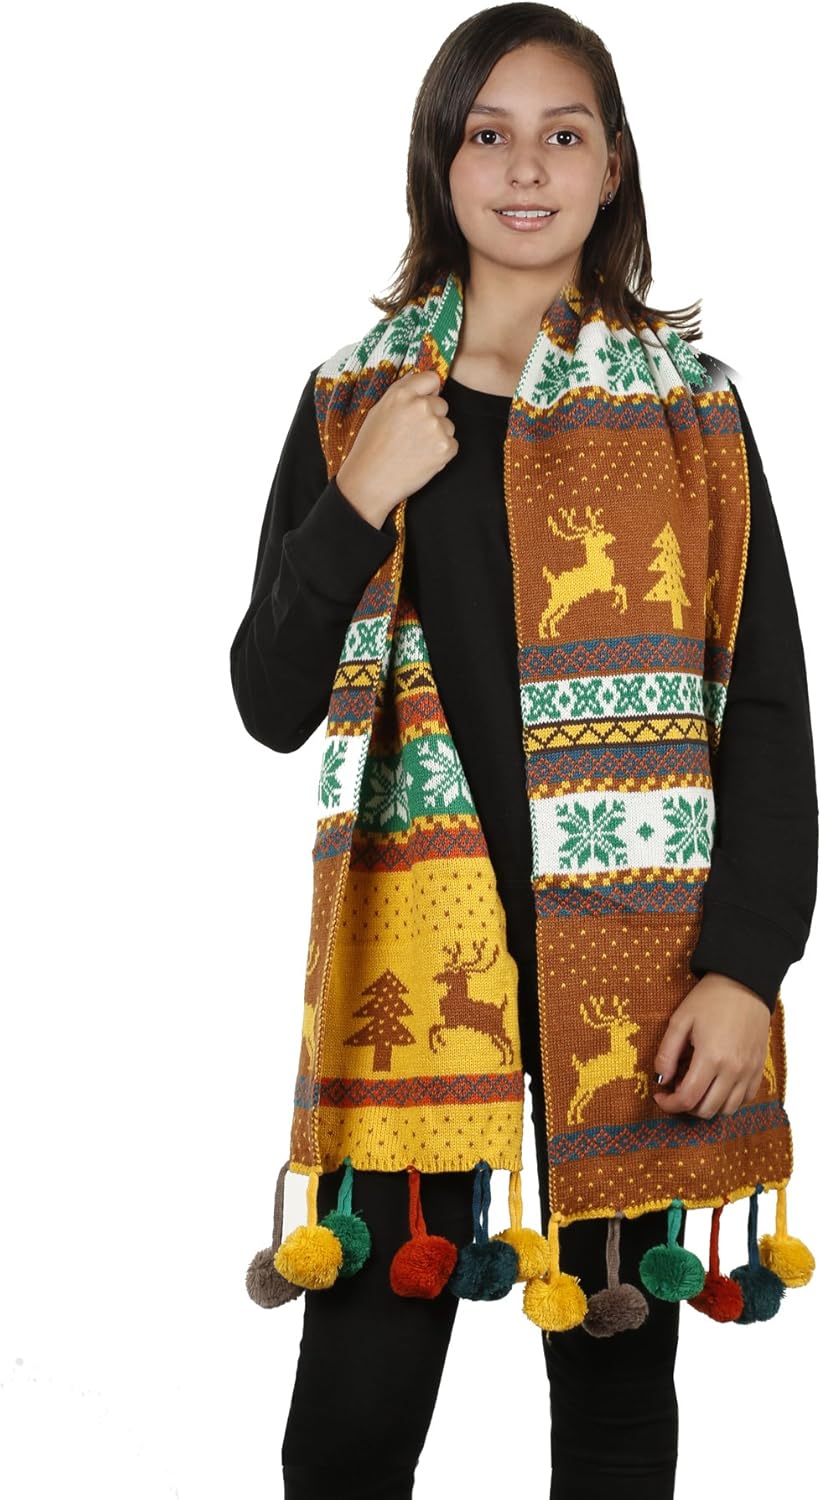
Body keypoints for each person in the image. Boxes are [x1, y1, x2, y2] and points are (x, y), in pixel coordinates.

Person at [230, 7, 818, 1497]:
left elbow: (762, 709)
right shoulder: (355, 405)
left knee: (616, 1397)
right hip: (419, 986)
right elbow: (268, 697)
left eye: (564, 133)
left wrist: (745, 968)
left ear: (613, 167)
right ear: (440, 161)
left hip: (637, 974)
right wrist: (357, 501)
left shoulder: (690, 409)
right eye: (487, 133)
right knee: (352, 1419)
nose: (526, 167)